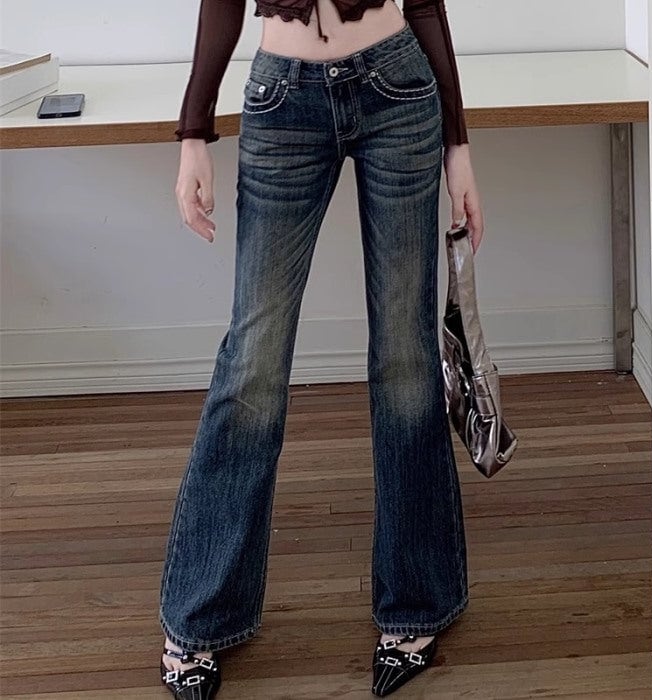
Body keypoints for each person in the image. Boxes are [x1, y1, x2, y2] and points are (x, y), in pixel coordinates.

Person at [159, 0, 484, 697]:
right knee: (252, 363)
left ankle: (417, 601)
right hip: (282, 99)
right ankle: (201, 614)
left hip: (399, 90)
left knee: (406, 359)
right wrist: (194, 131)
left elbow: (424, 3)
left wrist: (459, 147)